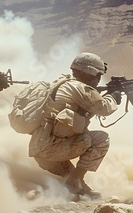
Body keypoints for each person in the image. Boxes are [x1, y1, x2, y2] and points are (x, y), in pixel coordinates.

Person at [28, 52, 121, 199]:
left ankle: (74, 188)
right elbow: (103, 109)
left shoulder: (62, 83)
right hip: (53, 150)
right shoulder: (80, 88)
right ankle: (75, 182)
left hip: (40, 151)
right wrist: (113, 97)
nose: (98, 80)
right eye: (98, 75)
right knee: (101, 139)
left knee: (73, 181)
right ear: (90, 73)